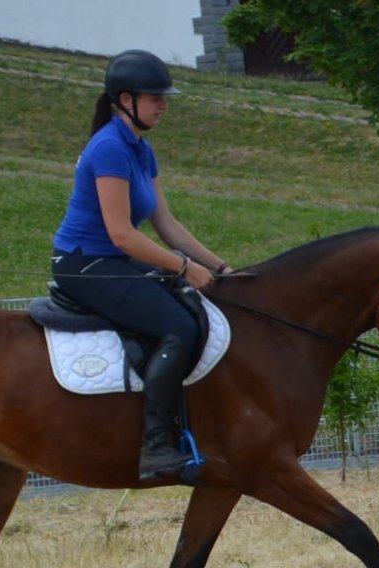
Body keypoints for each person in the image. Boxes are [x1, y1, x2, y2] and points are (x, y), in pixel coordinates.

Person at [51, 49, 234, 482]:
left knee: (192, 306)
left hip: (111, 260)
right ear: (126, 100)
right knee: (179, 327)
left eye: (163, 97)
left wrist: (222, 268)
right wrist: (184, 268)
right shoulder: (110, 148)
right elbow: (121, 234)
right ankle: (154, 448)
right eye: (155, 97)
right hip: (84, 264)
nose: (163, 104)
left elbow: (167, 224)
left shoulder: (141, 150)